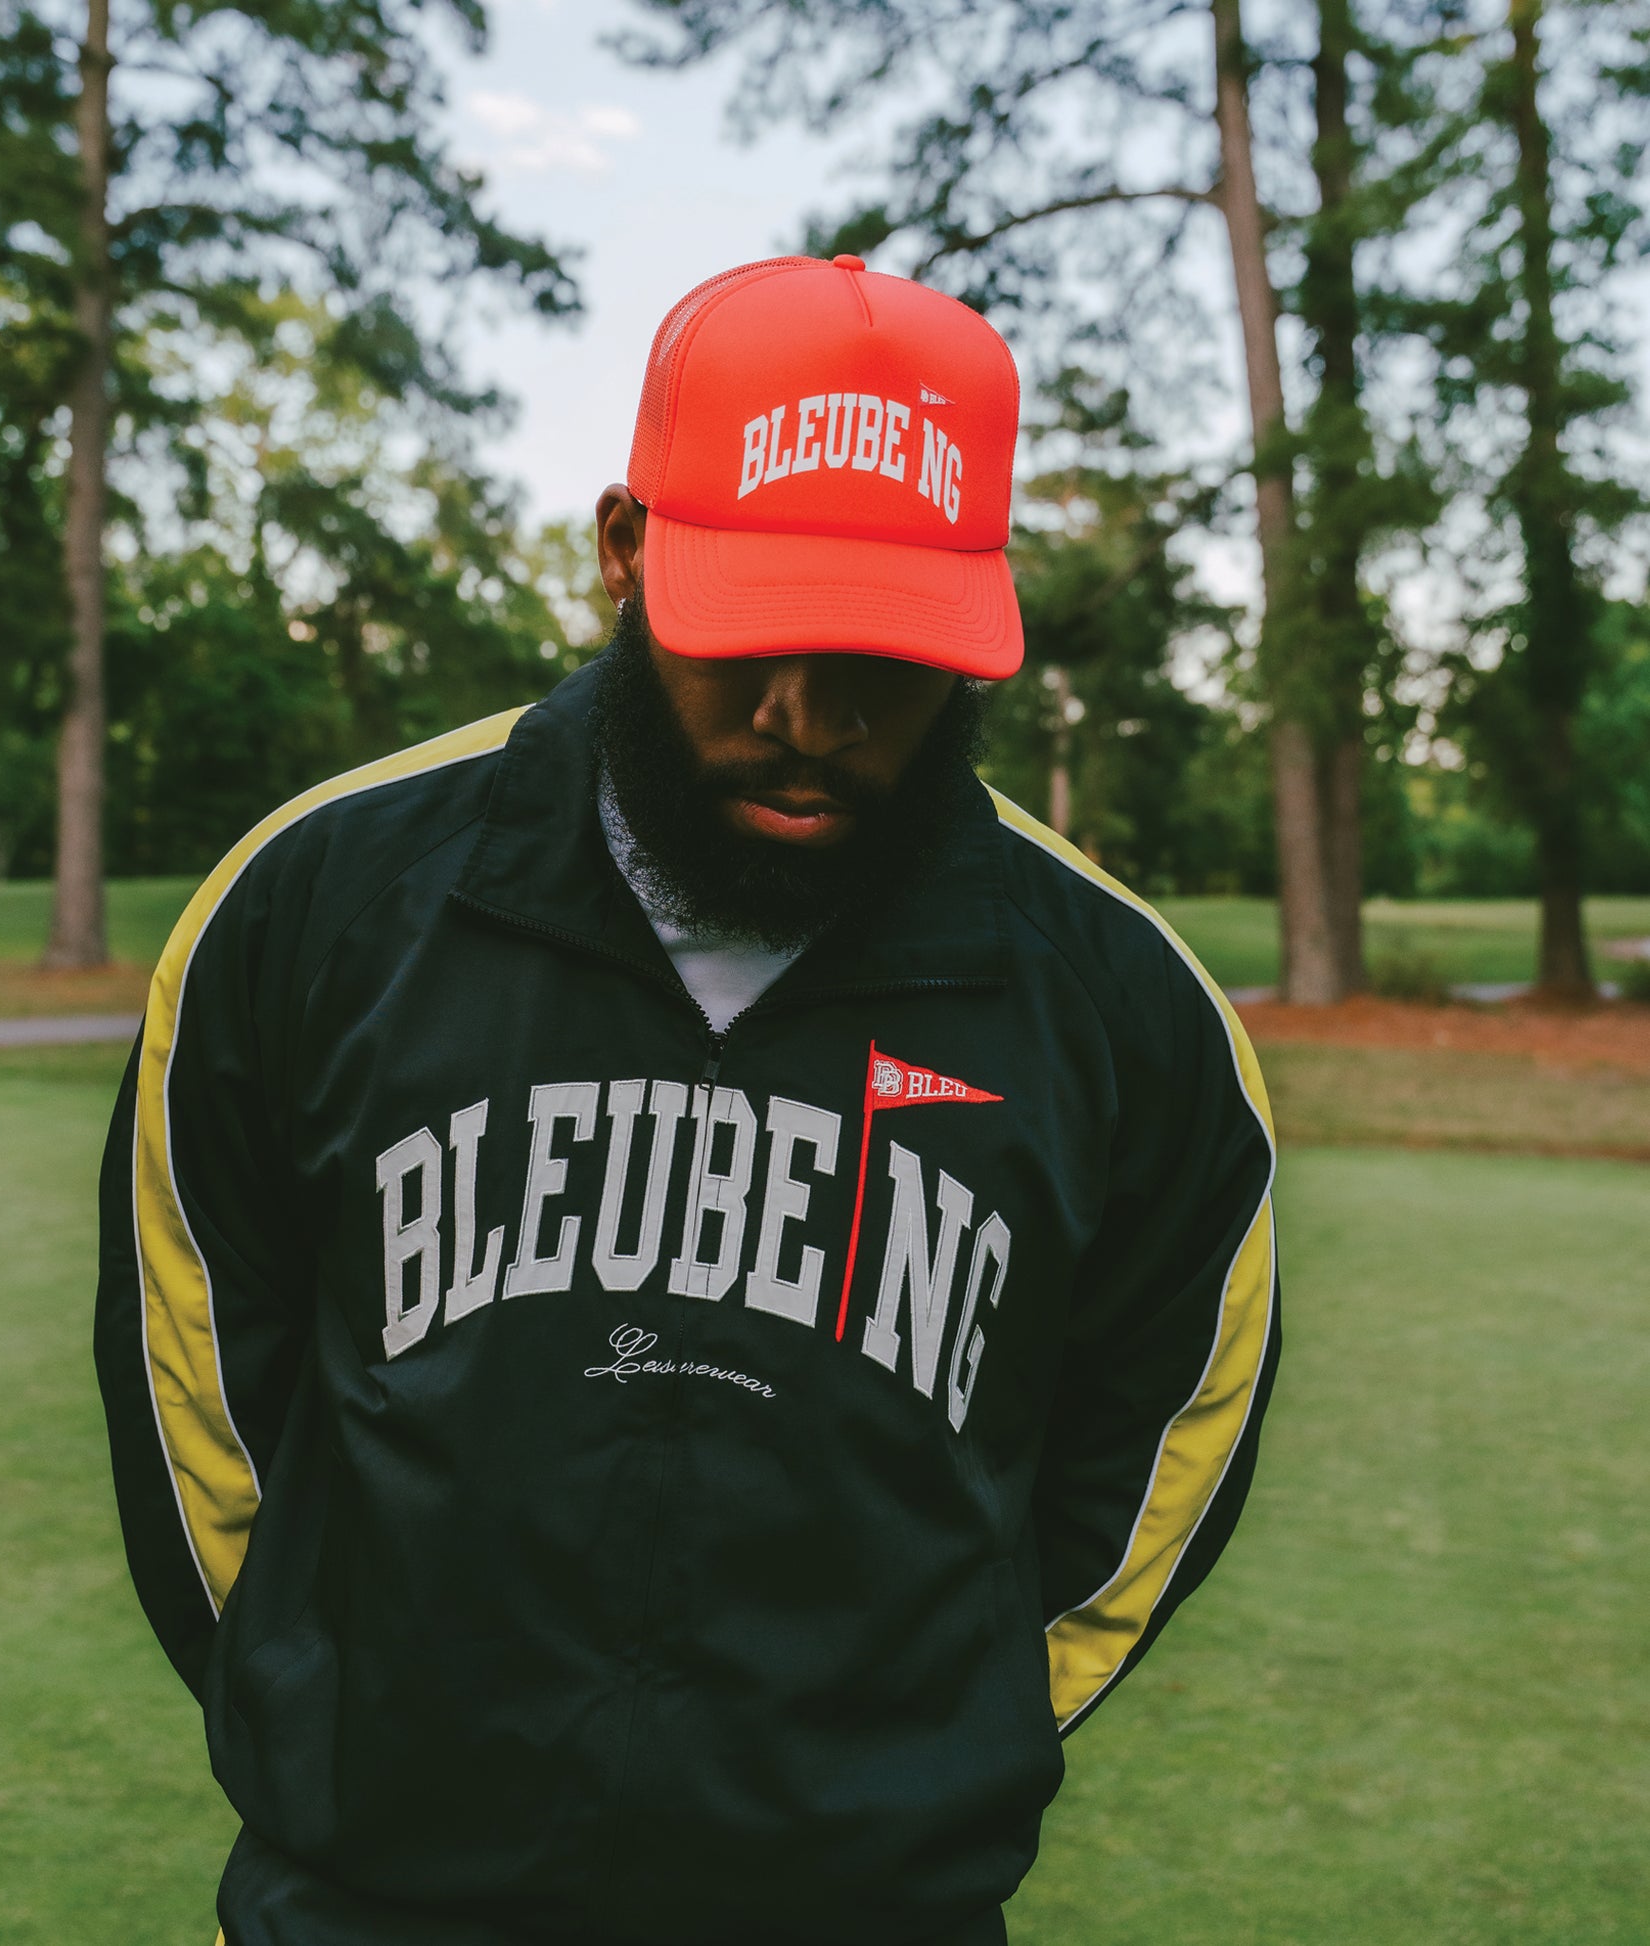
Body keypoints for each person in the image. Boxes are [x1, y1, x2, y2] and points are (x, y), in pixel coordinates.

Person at [95, 254, 1279, 1946]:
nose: (810, 714)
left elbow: (1155, 1454)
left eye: (881, 651)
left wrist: (910, 1767)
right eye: (754, 637)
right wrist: (350, 1725)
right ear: (622, 546)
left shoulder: (1125, 1014)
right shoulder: (311, 909)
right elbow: (198, 1400)